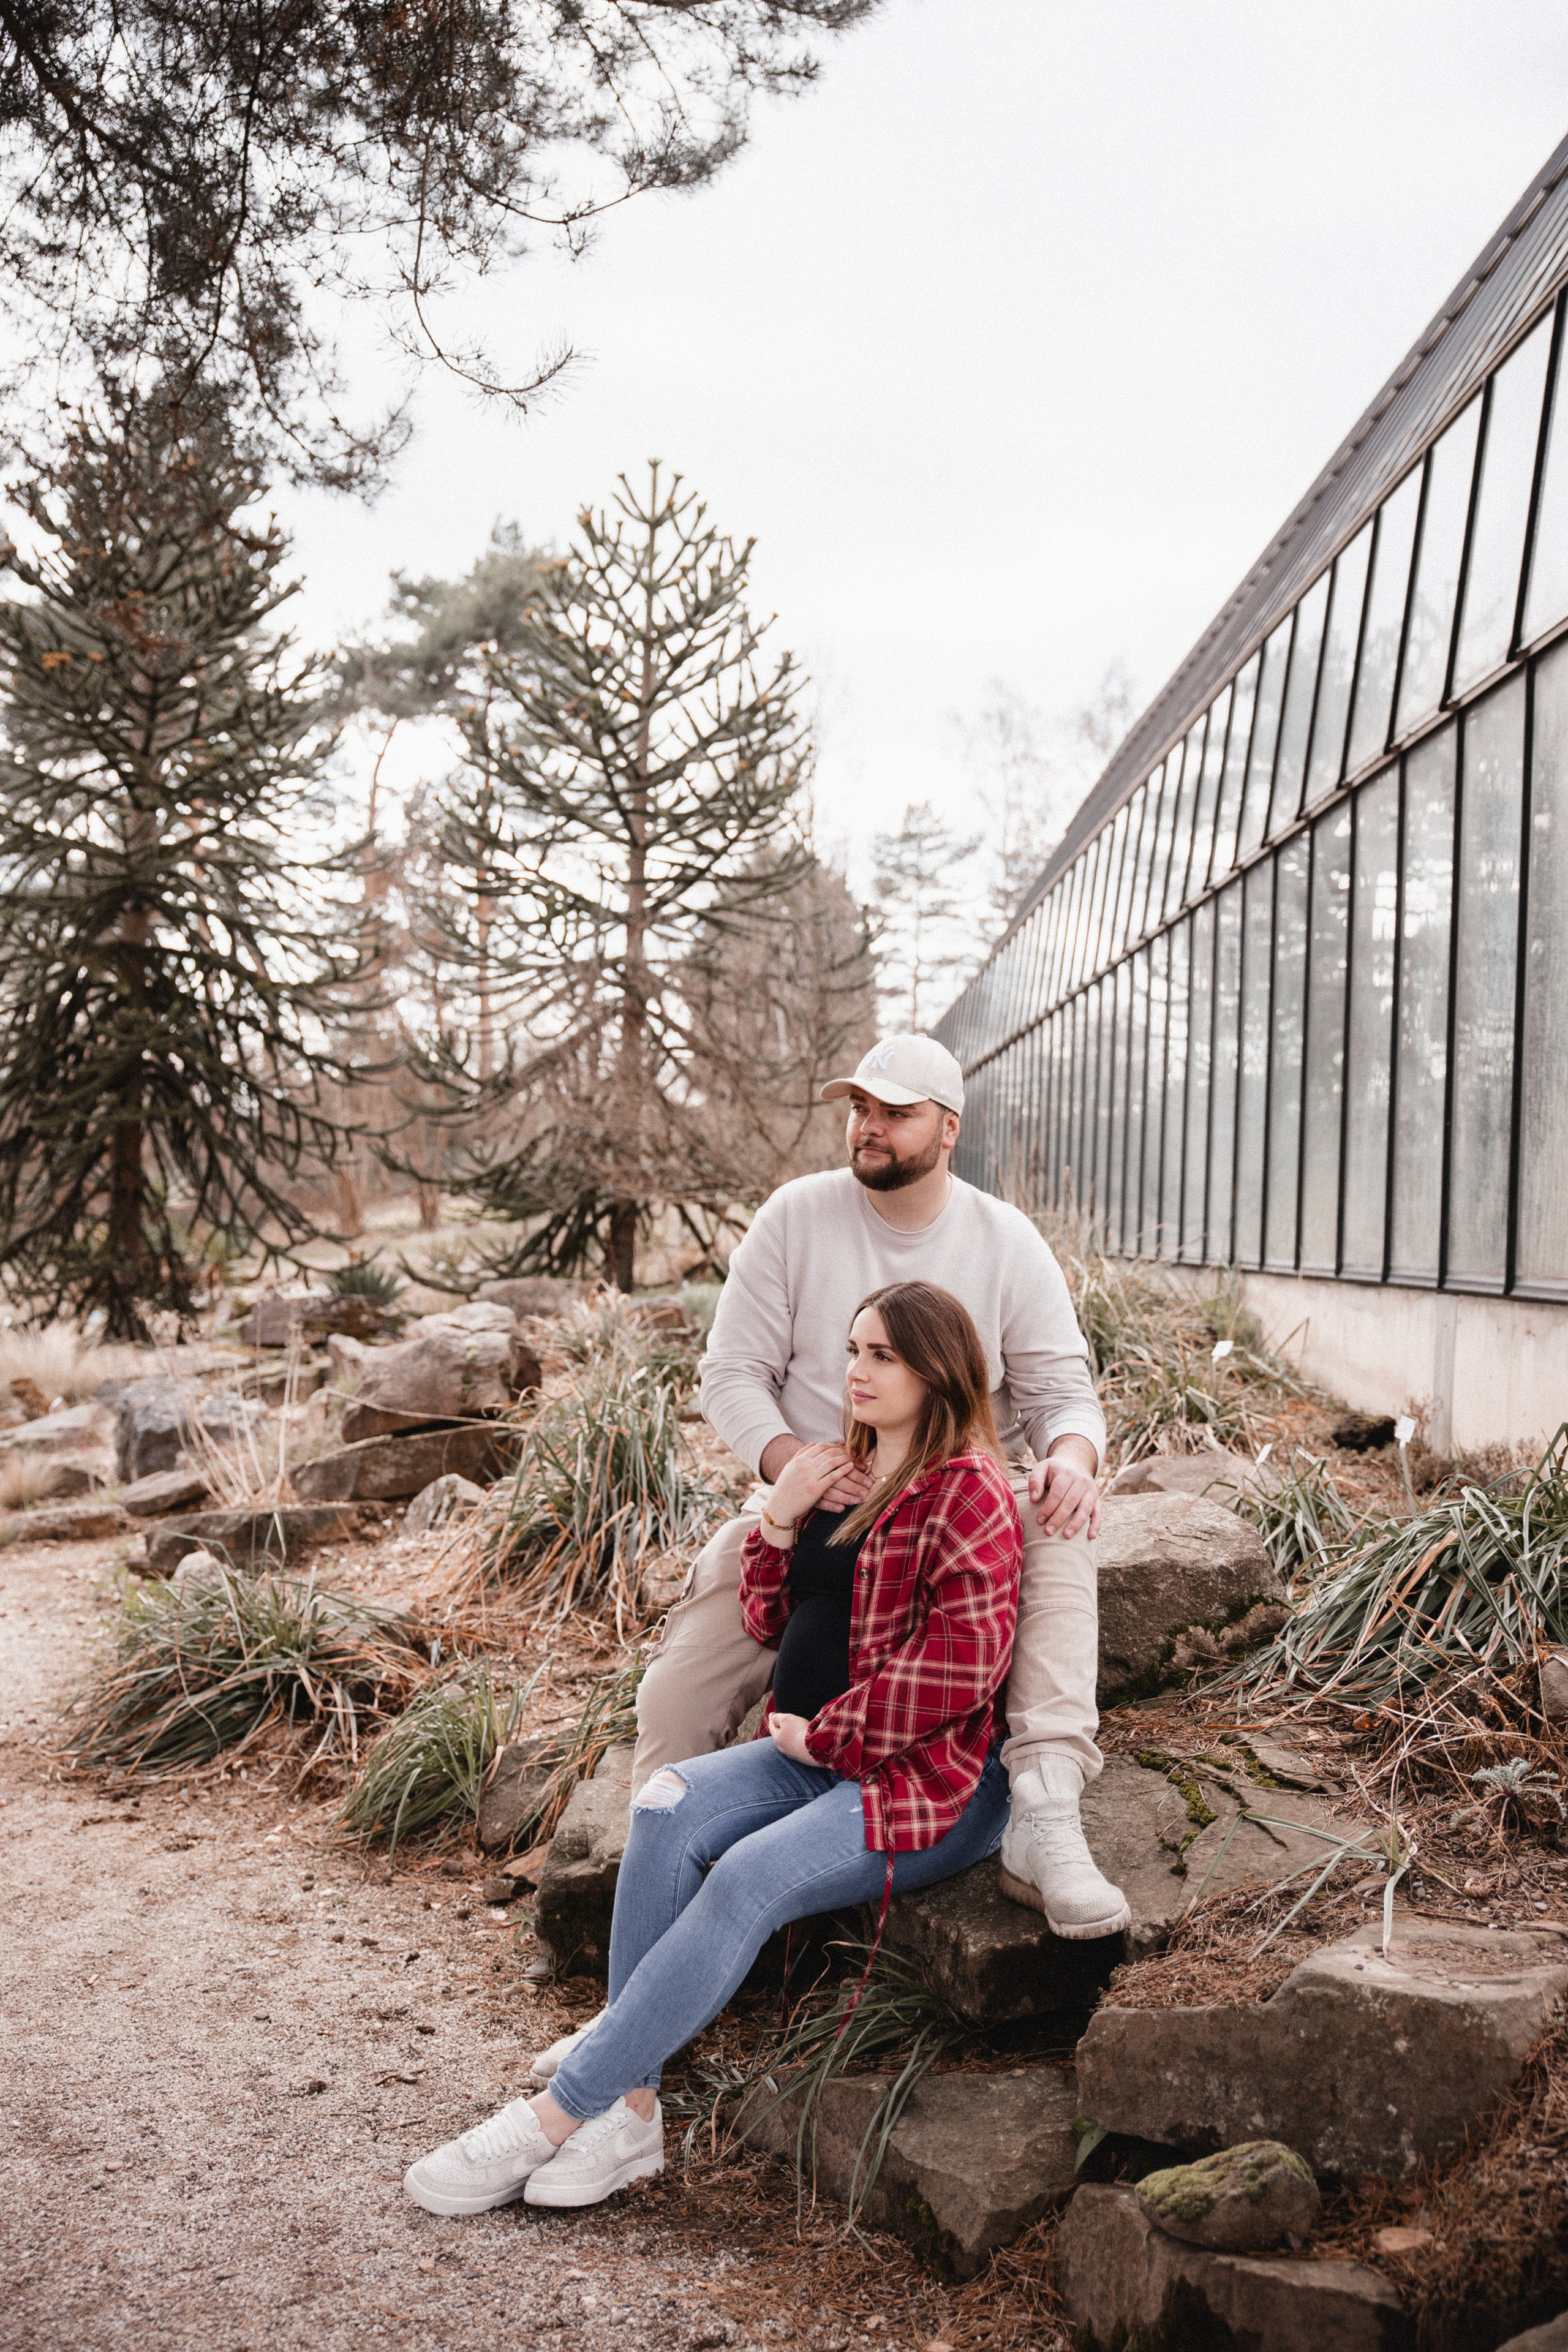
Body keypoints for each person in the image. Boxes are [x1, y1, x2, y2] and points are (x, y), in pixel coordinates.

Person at [404, 1281, 1023, 2218]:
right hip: (809, 1755)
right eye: (853, 1349)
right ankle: (635, 2110)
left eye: (883, 1356)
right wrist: (780, 1517)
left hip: (925, 1781)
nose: (856, 1371)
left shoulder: (968, 1493)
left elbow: (965, 1665)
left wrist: (831, 1732)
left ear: (941, 1371)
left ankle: (555, 2116)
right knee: (662, 1803)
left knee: (744, 1878)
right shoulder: (843, 1470)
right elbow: (768, 1614)